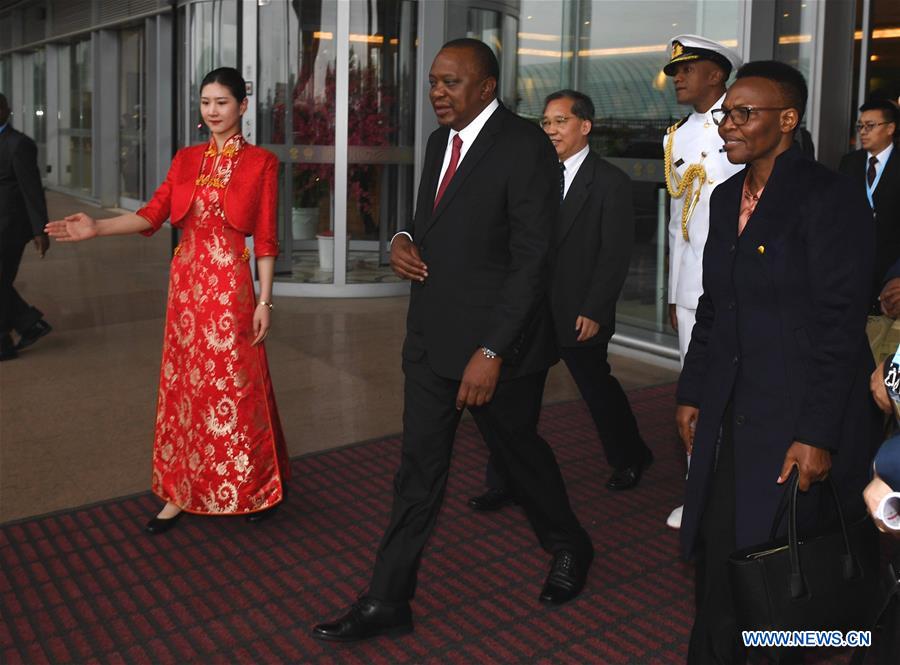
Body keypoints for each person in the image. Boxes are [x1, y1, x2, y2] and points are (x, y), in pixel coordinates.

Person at [312, 39, 593, 643]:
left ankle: (570, 543)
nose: (437, 92)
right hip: (431, 340)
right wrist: (401, 239)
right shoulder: (442, 141)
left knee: (519, 458)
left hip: (497, 351)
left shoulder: (525, 147)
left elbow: (532, 261)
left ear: (486, 87)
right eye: (434, 82)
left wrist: (491, 352)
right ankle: (388, 599)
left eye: (451, 82)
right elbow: (427, 220)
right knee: (418, 470)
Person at [675, 60, 879, 663]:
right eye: (726, 115)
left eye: (744, 114)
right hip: (732, 411)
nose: (728, 126)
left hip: (797, 416)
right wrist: (692, 390)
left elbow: (840, 328)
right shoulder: (724, 197)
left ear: (787, 119)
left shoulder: (831, 197)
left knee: (782, 570)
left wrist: (816, 435)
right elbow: (714, 306)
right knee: (719, 558)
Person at [45, 67, 290, 533]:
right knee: (184, 389)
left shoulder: (261, 162)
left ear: (242, 106)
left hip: (230, 287)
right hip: (186, 287)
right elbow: (153, 214)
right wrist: (97, 228)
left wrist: (265, 300)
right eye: (206, 102)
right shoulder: (186, 158)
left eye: (222, 102)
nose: (213, 111)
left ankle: (253, 486)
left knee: (236, 387)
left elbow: (266, 237)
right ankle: (179, 490)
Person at [467, 89, 652, 514]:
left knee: (597, 390)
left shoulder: (609, 182)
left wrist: (595, 309)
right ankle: (506, 478)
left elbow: (615, 254)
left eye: (560, 121)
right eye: (546, 122)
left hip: (578, 309)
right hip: (528, 308)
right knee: (514, 399)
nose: (550, 129)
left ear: (585, 126)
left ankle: (630, 456)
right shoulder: (533, 174)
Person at [662, 36, 744, 529]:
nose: (677, 78)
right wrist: (676, 293)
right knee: (696, 391)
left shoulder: (743, 120)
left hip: (744, 280)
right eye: (675, 71)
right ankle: (699, 492)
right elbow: (678, 223)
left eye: (686, 69)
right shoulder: (676, 136)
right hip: (695, 286)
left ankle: (739, 489)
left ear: (715, 74)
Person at [0, 92, 52, 361]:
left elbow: (31, 190)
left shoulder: (19, 144)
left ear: (6, 110)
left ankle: (5, 344)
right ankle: (28, 323)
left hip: (9, 227)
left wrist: (39, 230)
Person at [839, 99, 900, 312]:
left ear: (890, 128)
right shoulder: (849, 162)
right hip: (853, 262)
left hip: (890, 264)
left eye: (870, 126)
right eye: (860, 126)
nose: (863, 132)